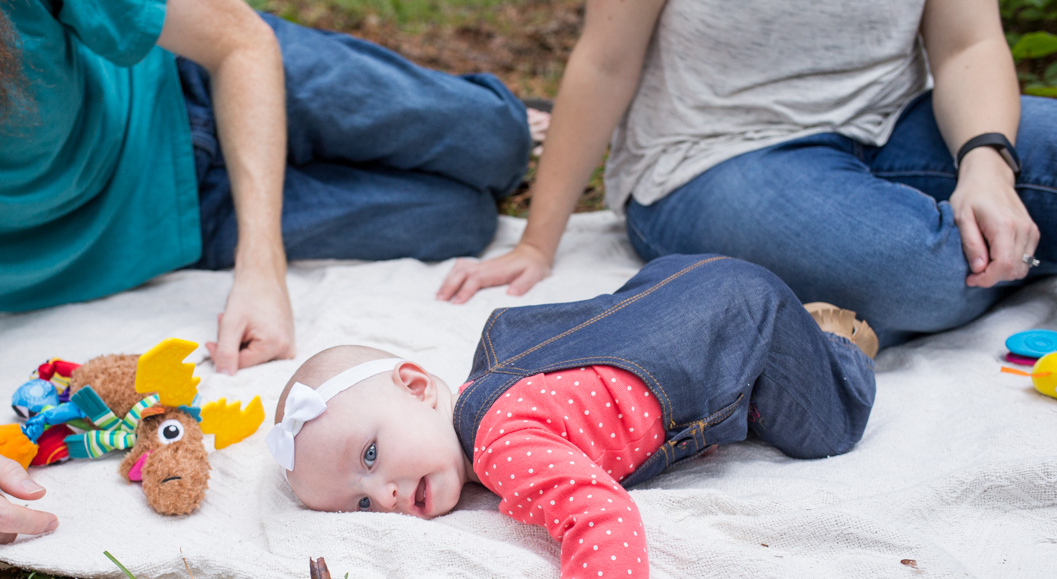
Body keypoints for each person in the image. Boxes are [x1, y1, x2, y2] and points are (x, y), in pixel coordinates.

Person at [0, 0, 533, 554]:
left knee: (495, 141)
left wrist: (261, 266)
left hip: (190, 85)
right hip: (179, 227)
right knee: (462, 218)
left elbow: (235, 41)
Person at [267, 254, 878, 579]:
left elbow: (601, 512)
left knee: (830, 427)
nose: (385, 496)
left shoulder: (501, 445)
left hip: (745, 325)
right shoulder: (489, 386)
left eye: (371, 455)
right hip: (678, 290)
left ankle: (834, 345)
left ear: (417, 386)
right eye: (361, 506)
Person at [437, 0, 1057, 349]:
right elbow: (604, 63)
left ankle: (1000, 249)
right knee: (918, 270)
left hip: (896, 121)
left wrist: (987, 165)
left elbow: (968, 46)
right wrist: (537, 243)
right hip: (713, 157)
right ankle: (1004, 252)